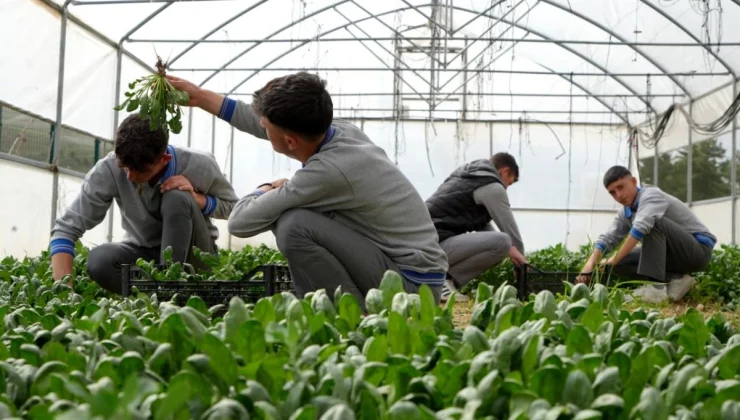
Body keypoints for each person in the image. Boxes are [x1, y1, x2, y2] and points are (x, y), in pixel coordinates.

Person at [167, 72, 449, 309]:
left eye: (266, 129)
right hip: (415, 272)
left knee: (294, 224)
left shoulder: (327, 171)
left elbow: (240, 222)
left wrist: (266, 188)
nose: (262, 130)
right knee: (296, 217)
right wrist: (200, 96)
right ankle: (328, 298)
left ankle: (354, 313)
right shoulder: (337, 131)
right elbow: (259, 120)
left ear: (290, 141)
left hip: (412, 289)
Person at [49, 113, 239, 294]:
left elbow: (234, 209)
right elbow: (66, 229)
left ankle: (173, 287)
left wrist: (198, 199)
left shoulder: (199, 164)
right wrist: (65, 292)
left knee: (176, 197)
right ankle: (163, 295)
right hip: (144, 253)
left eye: (139, 170)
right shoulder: (108, 169)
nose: (130, 176)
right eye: (125, 167)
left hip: (195, 256)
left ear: (164, 159)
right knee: (100, 260)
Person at [578, 165, 716, 303]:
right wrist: (590, 265)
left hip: (697, 252)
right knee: (619, 263)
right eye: (612, 192)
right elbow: (608, 238)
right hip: (671, 257)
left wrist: (613, 258)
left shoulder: (651, 195)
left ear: (633, 182)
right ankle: (676, 279)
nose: (618, 195)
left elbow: (640, 228)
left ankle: (655, 290)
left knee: (653, 223)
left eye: (621, 187)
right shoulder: (626, 212)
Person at [425, 153, 527, 302]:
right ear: (504, 172)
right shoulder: (492, 186)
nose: (506, 189)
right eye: (509, 183)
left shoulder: (469, 176)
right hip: (432, 247)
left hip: (424, 244)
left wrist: (510, 249)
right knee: (504, 242)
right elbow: (511, 235)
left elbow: (485, 230)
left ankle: (440, 282)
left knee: (503, 244)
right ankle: (441, 282)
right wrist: (522, 268)